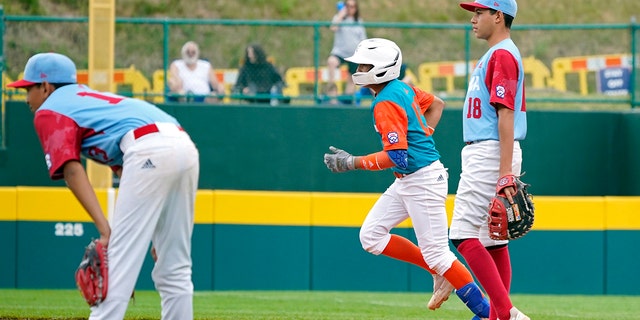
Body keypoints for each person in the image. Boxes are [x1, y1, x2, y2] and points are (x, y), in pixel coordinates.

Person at [7, 52, 199, 320]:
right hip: (183, 145)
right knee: (174, 266)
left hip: (148, 148)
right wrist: (160, 233)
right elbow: (136, 167)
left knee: (116, 266)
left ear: (46, 87)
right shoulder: (93, 102)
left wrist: (106, 232)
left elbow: (72, 170)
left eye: (29, 89)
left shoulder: (50, 110)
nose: (26, 98)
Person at [323, 38, 489, 319]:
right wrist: (425, 135)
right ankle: (442, 274)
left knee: (438, 254)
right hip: (412, 179)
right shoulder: (401, 88)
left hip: (421, 179)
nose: (359, 68)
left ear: (381, 68)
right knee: (371, 236)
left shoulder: (386, 101)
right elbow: (437, 104)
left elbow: (398, 156)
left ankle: (487, 312)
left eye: (365, 64)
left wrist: (353, 162)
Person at [449, 1, 530, 320]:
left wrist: (505, 173)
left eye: (480, 12)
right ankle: (498, 315)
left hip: (491, 151)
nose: (473, 18)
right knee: (492, 240)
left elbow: (506, 113)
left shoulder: (503, 54)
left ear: (499, 16)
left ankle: (506, 314)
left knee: (462, 235)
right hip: (487, 150)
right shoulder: (495, 53)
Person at [327, 0, 367, 102]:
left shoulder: (358, 21)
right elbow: (333, 27)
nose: (350, 9)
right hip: (339, 52)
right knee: (331, 62)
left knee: (352, 79)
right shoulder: (339, 18)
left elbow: (363, 38)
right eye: (348, 6)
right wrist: (341, 14)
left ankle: (347, 100)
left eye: (352, 6)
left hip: (354, 54)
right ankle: (332, 97)